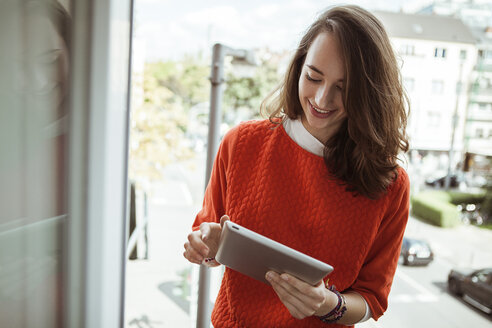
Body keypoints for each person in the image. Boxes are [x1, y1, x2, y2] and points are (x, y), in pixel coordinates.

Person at [183, 5, 410, 328]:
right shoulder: (241, 143)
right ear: (299, 67)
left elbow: (372, 298)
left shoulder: (391, 185)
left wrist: (327, 305)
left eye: (343, 89)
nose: (321, 99)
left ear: (369, 93)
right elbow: (206, 236)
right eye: (313, 77)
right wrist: (204, 245)